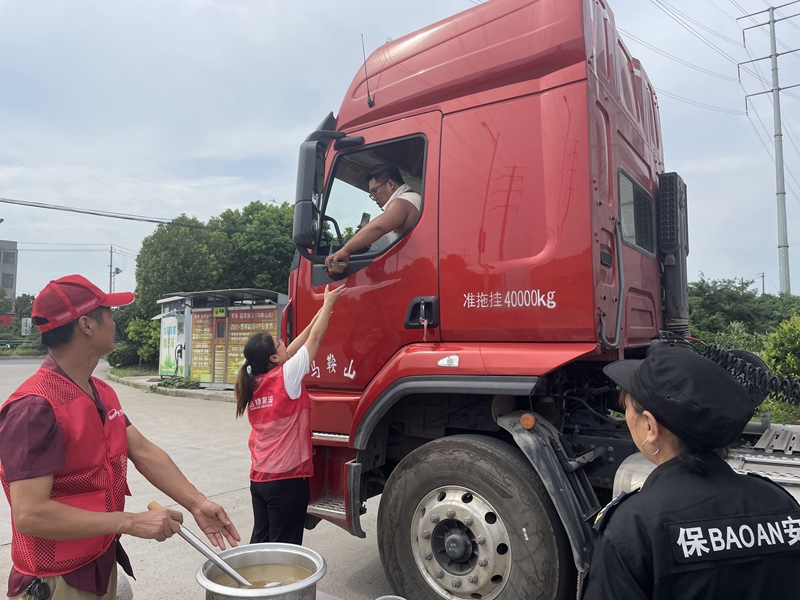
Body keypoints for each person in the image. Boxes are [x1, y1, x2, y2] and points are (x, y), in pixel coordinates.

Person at [0, 275, 240, 600]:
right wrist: (130, 522)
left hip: (100, 563)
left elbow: (143, 450)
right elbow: (30, 514)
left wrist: (197, 503)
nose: (115, 322)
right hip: (55, 582)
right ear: (86, 325)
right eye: (109, 313)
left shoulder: (101, 392)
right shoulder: (34, 408)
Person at [583, 345, 800, 600]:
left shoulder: (634, 528)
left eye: (627, 407)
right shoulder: (781, 503)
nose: (625, 416)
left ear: (650, 426)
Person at [234, 283, 346, 545]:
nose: (284, 343)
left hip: (260, 479)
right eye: (279, 343)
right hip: (287, 480)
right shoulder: (287, 377)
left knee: (261, 544)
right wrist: (329, 303)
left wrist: (320, 314)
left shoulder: (256, 383)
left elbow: (295, 347)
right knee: (284, 550)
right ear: (273, 358)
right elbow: (314, 341)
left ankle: (251, 574)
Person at [324, 163, 421, 269]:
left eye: (375, 191)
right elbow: (392, 239)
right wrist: (365, 239)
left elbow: (378, 227)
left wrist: (346, 250)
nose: (374, 198)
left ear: (390, 185)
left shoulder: (402, 202)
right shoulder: (414, 199)